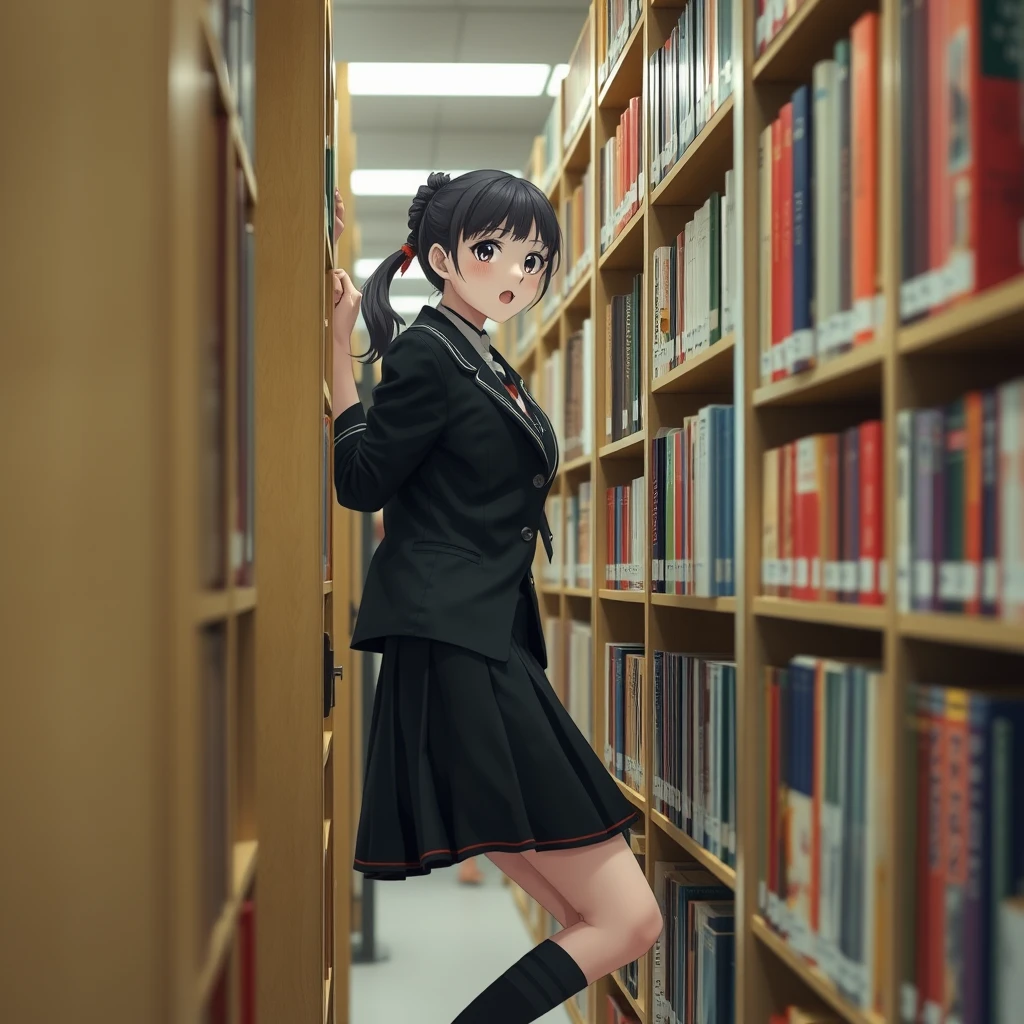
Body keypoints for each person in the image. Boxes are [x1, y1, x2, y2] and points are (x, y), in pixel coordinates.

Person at [330, 171, 661, 1024]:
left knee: (599, 915)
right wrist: (339, 363)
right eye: (491, 251)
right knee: (628, 918)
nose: (517, 271)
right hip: (457, 645)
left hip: (486, 638)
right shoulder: (428, 354)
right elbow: (364, 481)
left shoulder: (482, 354)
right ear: (442, 258)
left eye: (535, 258)